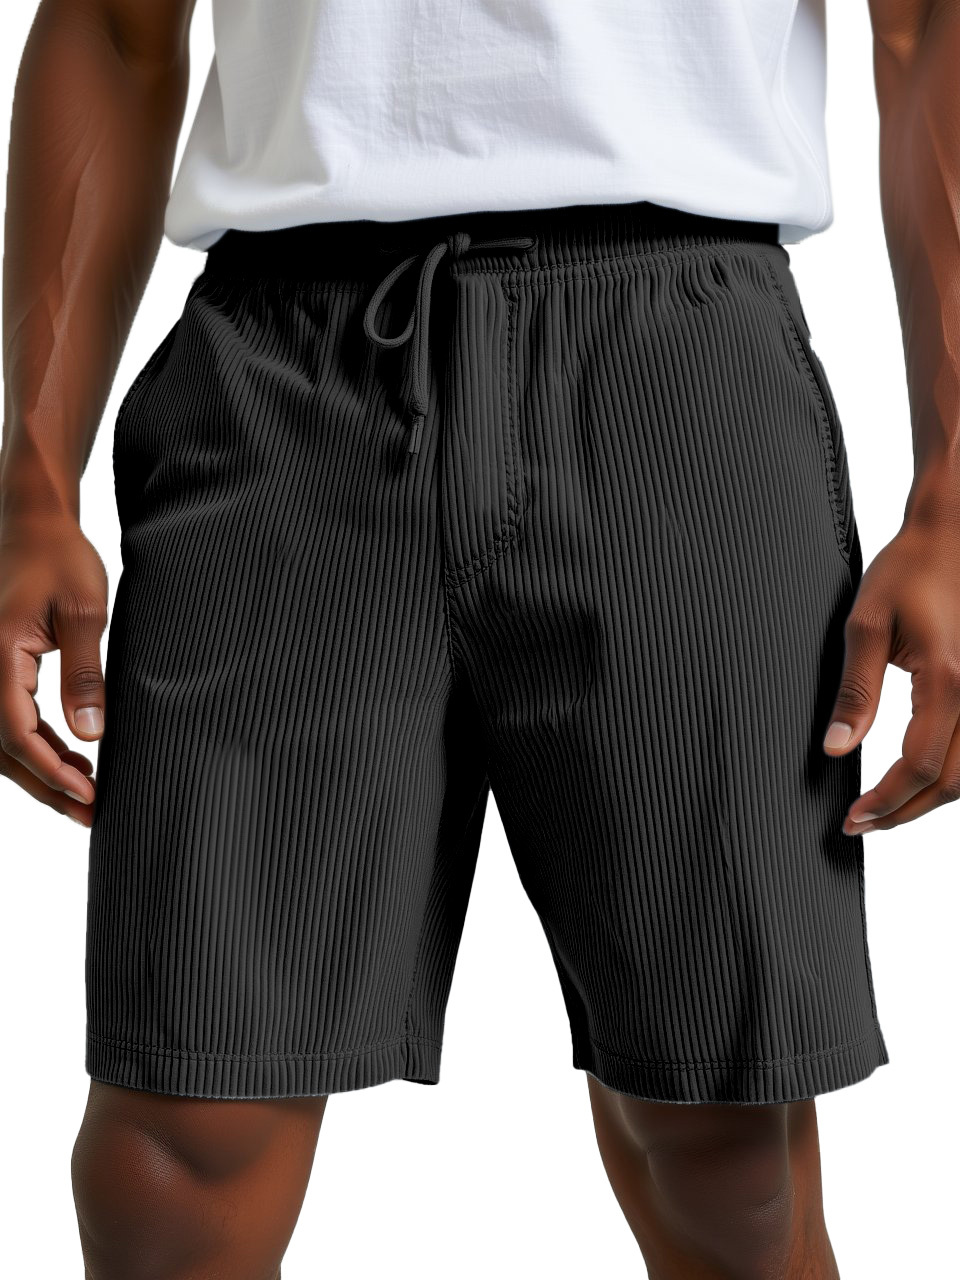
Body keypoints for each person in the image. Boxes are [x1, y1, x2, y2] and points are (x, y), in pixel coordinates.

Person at [1, 0, 957, 1276]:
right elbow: (116, 28)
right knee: (177, 1130)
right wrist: (33, 483)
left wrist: (954, 493)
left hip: (680, 361)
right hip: (282, 368)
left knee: (727, 1142)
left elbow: (925, 28)